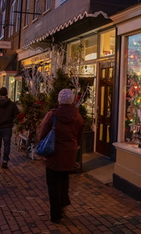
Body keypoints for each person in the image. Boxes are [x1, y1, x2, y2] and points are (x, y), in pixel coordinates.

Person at [37, 89, 84, 224]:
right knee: (64, 179)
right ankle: (63, 206)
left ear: (59, 100)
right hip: (69, 154)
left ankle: (56, 214)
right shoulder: (78, 116)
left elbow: (43, 131)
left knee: (53, 183)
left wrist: (41, 145)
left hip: (54, 153)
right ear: (72, 100)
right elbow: (79, 135)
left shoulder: (52, 115)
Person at [0, 87, 19, 169]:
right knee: (7, 144)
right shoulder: (12, 104)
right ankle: (5, 160)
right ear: (6, 93)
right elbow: (16, 115)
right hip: (8, 126)